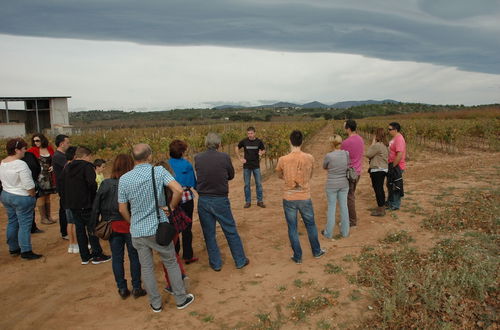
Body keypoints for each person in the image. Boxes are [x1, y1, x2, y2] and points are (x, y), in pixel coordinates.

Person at [118, 144, 194, 312]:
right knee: (170, 262)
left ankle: (156, 303)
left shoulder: (124, 179)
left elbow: (122, 209)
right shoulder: (158, 172)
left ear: (133, 158)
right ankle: (180, 299)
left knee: (146, 267)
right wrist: (171, 207)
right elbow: (178, 190)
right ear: (149, 156)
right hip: (157, 228)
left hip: (138, 231)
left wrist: (132, 222)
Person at [91, 154, 146, 300]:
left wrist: (94, 225)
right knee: (134, 256)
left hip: (112, 225)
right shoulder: (133, 183)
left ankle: (122, 287)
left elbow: (96, 206)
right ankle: (136, 287)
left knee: (117, 257)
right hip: (129, 223)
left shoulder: (106, 184)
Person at [195, 133, 249, 271]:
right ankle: (240, 260)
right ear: (219, 144)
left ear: (206, 144)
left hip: (204, 200)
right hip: (220, 199)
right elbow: (231, 175)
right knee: (230, 230)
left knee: (209, 233)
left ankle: (216, 263)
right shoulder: (224, 157)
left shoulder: (198, 158)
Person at [275, 130, 325, 264]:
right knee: (311, 225)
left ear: (289, 141)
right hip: (305, 197)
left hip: (289, 198)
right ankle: (317, 251)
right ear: (302, 142)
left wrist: (288, 179)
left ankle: (297, 257)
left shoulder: (283, 159)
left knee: (292, 228)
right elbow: (310, 174)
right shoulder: (309, 158)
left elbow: (279, 175)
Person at [59, 146, 110, 265]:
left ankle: (85, 256)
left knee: (80, 230)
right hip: (87, 204)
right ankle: (97, 254)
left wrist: (66, 200)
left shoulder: (67, 167)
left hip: (73, 205)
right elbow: (92, 183)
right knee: (92, 228)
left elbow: (61, 184)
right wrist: (93, 197)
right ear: (86, 156)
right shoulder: (87, 166)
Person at [0, 138, 42, 260]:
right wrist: (33, 194)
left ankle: (13, 248)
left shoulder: (3, 163)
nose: (25, 151)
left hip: (7, 194)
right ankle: (26, 250)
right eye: (23, 149)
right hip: (21, 196)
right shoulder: (21, 164)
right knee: (24, 224)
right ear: (17, 150)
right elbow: (28, 185)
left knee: (12, 221)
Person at [168, 140, 198, 264]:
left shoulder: (165, 165)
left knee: (173, 227)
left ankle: (175, 255)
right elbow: (192, 183)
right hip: (186, 198)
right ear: (182, 152)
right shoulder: (187, 165)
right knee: (187, 226)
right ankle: (188, 255)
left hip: (170, 199)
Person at [321, 135, 349, 239]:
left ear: (331, 144)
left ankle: (328, 233)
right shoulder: (346, 154)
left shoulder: (329, 156)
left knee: (331, 208)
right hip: (344, 184)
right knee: (344, 207)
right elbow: (348, 165)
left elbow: (324, 166)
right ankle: (345, 232)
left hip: (332, 185)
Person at [27, 133, 56, 225]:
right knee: (41, 196)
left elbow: (54, 159)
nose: (36, 142)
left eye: (37, 140)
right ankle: (43, 218)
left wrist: (53, 166)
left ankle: (49, 216)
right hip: (39, 176)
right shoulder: (31, 150)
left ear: (42, 140)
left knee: (48, 196)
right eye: (34, 141)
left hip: (49, 176)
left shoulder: (49, 149)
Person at [341, 119, 364, 227]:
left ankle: (352, 221)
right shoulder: (360, 139)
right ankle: (350, 219)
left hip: (350, 173)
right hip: (358, 172)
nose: (343, 129)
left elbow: (342, 158)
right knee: (351, 195)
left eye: (344, 127)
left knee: (349, 197)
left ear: (348, 128)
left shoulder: (346, 143)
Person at [235, 126, 266, 208]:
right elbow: (236, 147)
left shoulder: (259, 142)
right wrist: (240, 158)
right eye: (248, 133)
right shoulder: (244, 141)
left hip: (256, 166)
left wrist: (261, 153)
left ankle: (260, 201)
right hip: (247, 167)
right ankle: (248, 202)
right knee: (247, 185)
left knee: (258, 184)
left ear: (254, 133)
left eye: (251, 133)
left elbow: (263, 150)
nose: (250, 135)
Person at [366, 128, 389, 216]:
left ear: (376, 135)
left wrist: (373, 142)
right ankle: (381, 207)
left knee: (378, 189)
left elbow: (368, 154)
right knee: (380, 189)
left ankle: (381, 210)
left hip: (377, 170)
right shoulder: (385, 145)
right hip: (384, 169)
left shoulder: (377, 145)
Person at [52, 134, 70, 240]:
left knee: (65, 208)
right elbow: (69, 168)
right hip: (64, 187)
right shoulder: (59, 156)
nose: (69, 144)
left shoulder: (62, 155)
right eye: (67, 143)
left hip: (65, 186)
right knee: (64, 209)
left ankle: (66, 231)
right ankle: (65, 232)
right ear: (61, 144)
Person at [21, 150, 43, 234]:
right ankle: (28, 230)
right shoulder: (18, 161)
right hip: (24, 188)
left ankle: (32, 227)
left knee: (31, 208)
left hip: (31, 183)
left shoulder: (30, 155)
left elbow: (37, 167)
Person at [62, 146, 78, 253]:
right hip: (73, 199)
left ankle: (71, 245)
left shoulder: (65, 167)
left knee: (70, 222)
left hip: (66, 199)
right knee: (76, 222)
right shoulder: (73, 168)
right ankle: (77, 243)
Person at [387, 122, 406, 210]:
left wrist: (393, 166)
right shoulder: (394, 138)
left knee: (395, 185)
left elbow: (399, 154)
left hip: (396, 166)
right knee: (390, 184)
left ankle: (395, 205)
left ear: (395, 129)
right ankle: (390, 202)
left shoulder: (399, 139)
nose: (388, 131)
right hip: (391, 165)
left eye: (390, 129)